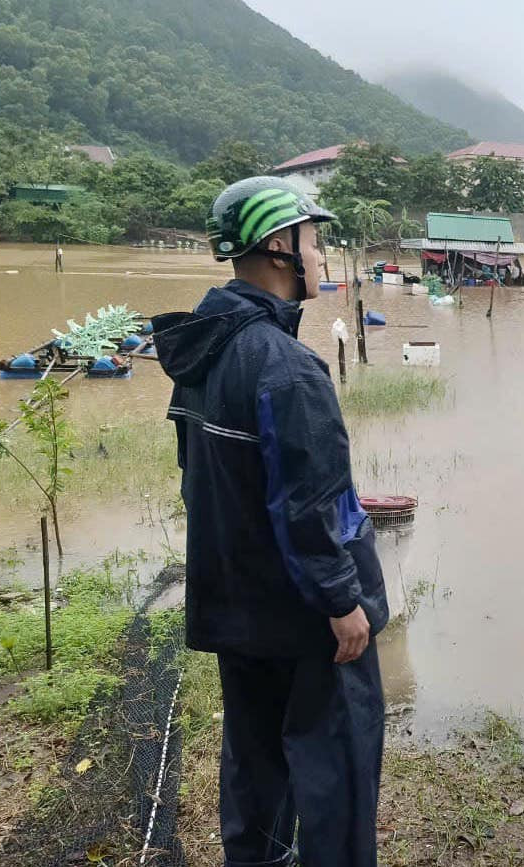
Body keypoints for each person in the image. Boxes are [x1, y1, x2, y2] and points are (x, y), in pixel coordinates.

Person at [152, 176, 389, 867]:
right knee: (336, 770)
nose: (321, 257)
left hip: (236, 603)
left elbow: (197, 478)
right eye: (314, 241)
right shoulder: (287, 368)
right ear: (279, 246)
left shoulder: (202, 351)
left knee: (255, 761)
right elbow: (308, 504)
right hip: (305, 620)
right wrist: (341, 600)